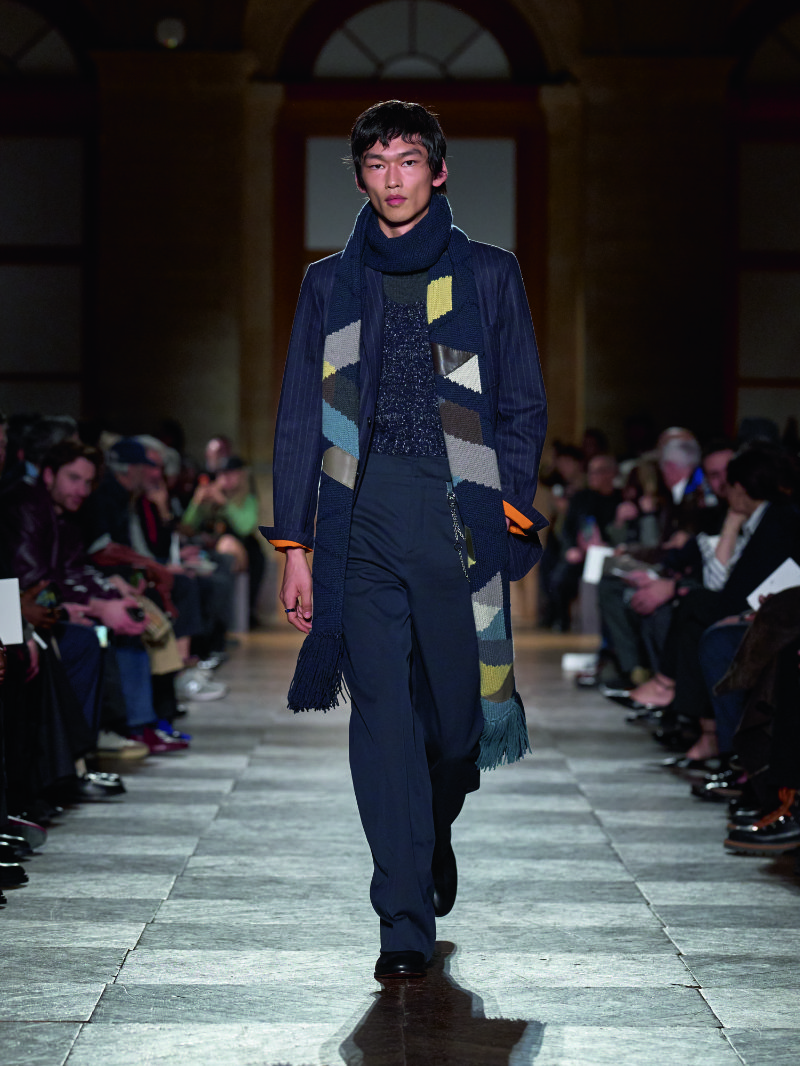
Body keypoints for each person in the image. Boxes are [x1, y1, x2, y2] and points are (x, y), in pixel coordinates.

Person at [261, 100, 547, 981]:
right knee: (382, 721)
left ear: (438, 170)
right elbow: (301, 415)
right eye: (377, 163)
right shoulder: (328, 283)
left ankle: (431, 828)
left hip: (461, 509)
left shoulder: (490, 273)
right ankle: (402, 919)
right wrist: (296, 546)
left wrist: (506, 506)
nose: (393, 177)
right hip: (360, 512)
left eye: (408, 159)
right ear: (359, 177)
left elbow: (522, 404)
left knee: (456, 729)